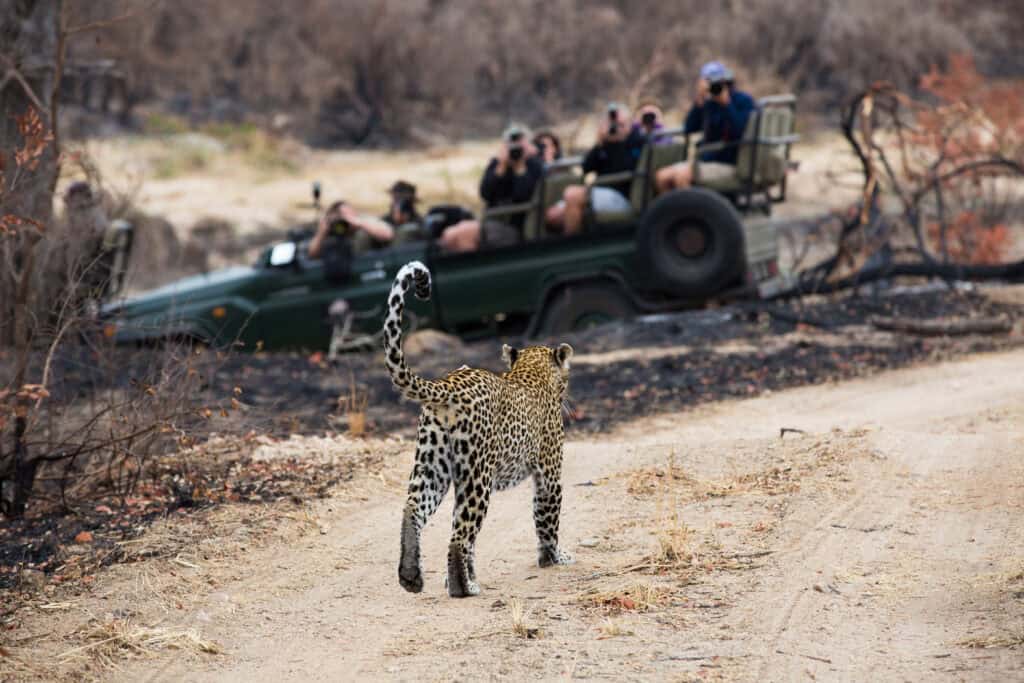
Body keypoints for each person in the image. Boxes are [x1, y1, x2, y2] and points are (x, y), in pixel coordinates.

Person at [655, 61, 757, 194]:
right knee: (661, 177)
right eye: (710, 82)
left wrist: (726, 105)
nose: (716, 86)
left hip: (729, 160)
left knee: (682, 176)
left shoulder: (743, 101)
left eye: (719, 81)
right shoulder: (709, 103)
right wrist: (699, 102)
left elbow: (739, 131)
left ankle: (693, 213)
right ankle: (674, 213)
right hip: (706, 159)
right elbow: (689, 128)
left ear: (727, 81)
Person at [440, 125, 543, 253]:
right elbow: (485, 193)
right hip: (492, 220)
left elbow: (524, 196)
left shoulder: (534, 165)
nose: (516, 148)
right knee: (448, 235)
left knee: (464, 235)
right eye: (512, 143)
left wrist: (520, 168)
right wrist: (501, 167)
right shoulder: (498, 164)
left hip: (515, 225)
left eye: (520, 143)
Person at [546, 103, 645, 235]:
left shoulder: (638, 141)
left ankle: (571, 247)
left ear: (630, 122)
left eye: (621, 124)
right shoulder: (606, 143)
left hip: (622, 196)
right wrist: (600, 143)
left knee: (572, 194)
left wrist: (620, 142)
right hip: (600, 192)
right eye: (613, 123)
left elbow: (627, 169)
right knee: (553, 216)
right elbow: (586, 168)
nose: (616, 127)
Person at [308, 199, 394, 259]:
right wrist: (322, 232)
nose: (345, 221)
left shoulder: (363, 223)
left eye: (349, 215)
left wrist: (359, 222)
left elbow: (388, 234)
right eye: (341, 217)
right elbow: (312, 254)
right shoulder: (331, 231)